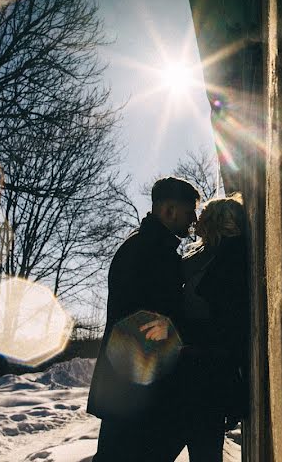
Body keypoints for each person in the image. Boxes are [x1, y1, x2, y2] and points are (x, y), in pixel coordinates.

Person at [87, 176, 199, 461]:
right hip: (135, 386)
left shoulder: (143, 247)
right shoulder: (152, 253)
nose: (194, 219)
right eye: (189, 212)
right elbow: (157, 319)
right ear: (168, 210)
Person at [167, 193, 250, 460]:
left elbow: (230, 322)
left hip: (207, 373)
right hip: (186, 370)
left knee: (204, 451)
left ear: (217, 221)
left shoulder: (230, 257)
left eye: (203, 214)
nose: (196, 218)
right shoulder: (200, 254)